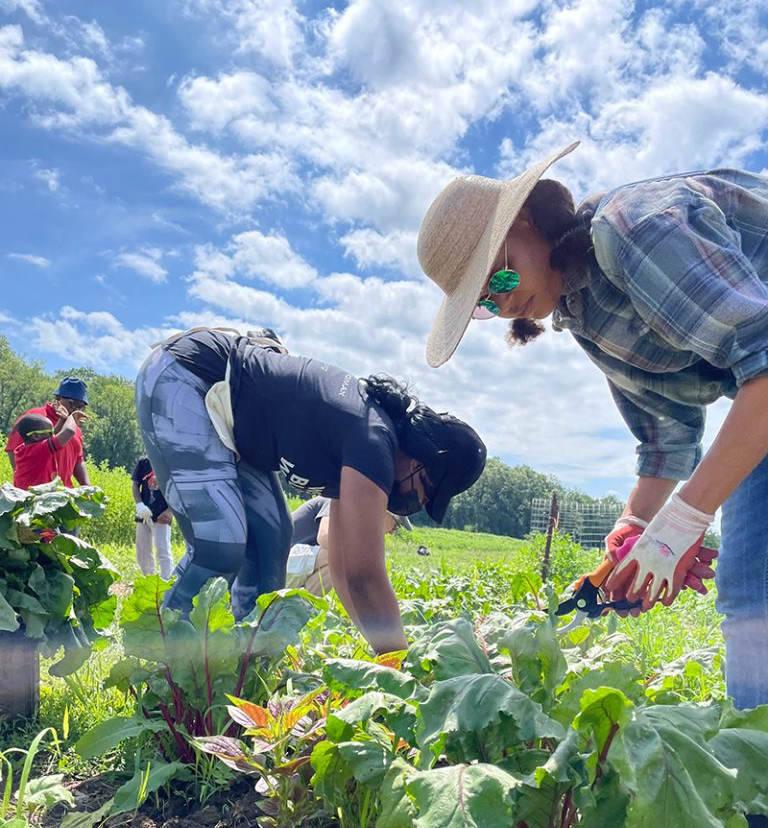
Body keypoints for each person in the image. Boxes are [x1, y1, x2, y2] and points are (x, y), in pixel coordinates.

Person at [416, 140, 768, 709]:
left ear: (528, 219)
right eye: (485, 303)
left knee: (757, 590)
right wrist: (636, 527)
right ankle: (759, 774)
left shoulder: (634, 230)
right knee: (752, 591)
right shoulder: (583, 312)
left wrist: (683, 522)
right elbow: (664, 437)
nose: (503, 306)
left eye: (499, 279)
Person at [135, 327, 486, 655]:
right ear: (420, 463)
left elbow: (346, 569)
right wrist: (403, 665)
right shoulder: (373, 441)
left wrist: (385, 662)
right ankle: (161, 661)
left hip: (231, 423)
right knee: (220, 544)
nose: (420, 502)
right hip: (186, 378)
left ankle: (246, 661)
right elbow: (366, 577)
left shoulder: (364, 446)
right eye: (427, 492)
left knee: (274, 538)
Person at [286, 496, 413, 594]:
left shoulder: (355, 520)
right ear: (386, 513)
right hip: (281, 558)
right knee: (342, 559)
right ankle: (303, 607)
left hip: (293, 566)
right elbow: (324, 537)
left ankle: (300, 610)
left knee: (342, 562)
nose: (391, 532)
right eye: (396, 526)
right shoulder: (338, 500)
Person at [6, 376, 90, 487]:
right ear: (59, 398)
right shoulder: (34, 419)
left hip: (62, 495)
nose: (76, 410)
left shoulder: (74, 427)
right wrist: (27, 485)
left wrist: (87, 488)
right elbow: (14, 451)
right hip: (37, 494)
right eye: (73, 404)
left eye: (81, 407)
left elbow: (78, 461)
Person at [11, 405, 85, 490]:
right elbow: (69, 431)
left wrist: (63, 420)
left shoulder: (25, 448)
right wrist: (71, 417)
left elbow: (54, 434)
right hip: (34, 499)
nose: (53, 435)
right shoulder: (39, 450)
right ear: (36, 436)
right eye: (49, 432)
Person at [131, 456, 174, 580]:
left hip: (162, 515)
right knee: (143, 550)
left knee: (162, 549)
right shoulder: (144, 462)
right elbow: (135, 485)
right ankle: (149, 579)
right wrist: (139, 505)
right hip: (144, 514)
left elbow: (177, 490)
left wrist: (169, 511)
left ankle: (167, 582)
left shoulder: (169, 461)